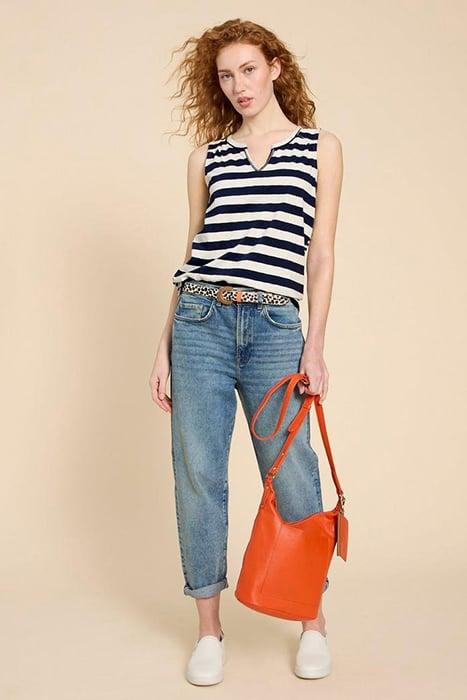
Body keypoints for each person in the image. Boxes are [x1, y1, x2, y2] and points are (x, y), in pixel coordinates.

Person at [149, 18, 343, 686]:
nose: (239, 85)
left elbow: (320, 254)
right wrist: (163, 346)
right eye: (226, 75)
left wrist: (314, 344)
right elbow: (191, 252)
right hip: (200, 320)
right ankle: (209, 631)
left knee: (292, 473)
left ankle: (312, 621)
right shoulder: (206, 158)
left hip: (274, 326)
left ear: (276, 68)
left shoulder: (319, 148)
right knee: (199, 473)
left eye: (249, 70)